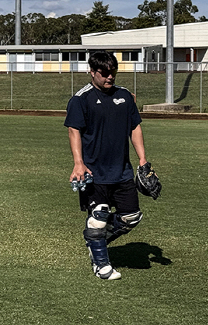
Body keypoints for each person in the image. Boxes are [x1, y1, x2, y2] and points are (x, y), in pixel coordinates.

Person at [64, 51, 148, 280]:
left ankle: (95, 237)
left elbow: (135, 127)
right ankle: (101, 265)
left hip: (122, 171)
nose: (110, 76)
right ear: (92, 72)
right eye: (104, 73)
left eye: (113, 72)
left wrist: (142, 159)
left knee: (131, 217)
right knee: (99, 215)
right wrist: (78, 164)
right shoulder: (81, 99)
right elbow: (74, 131)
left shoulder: (125, 96)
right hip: (93, 171)